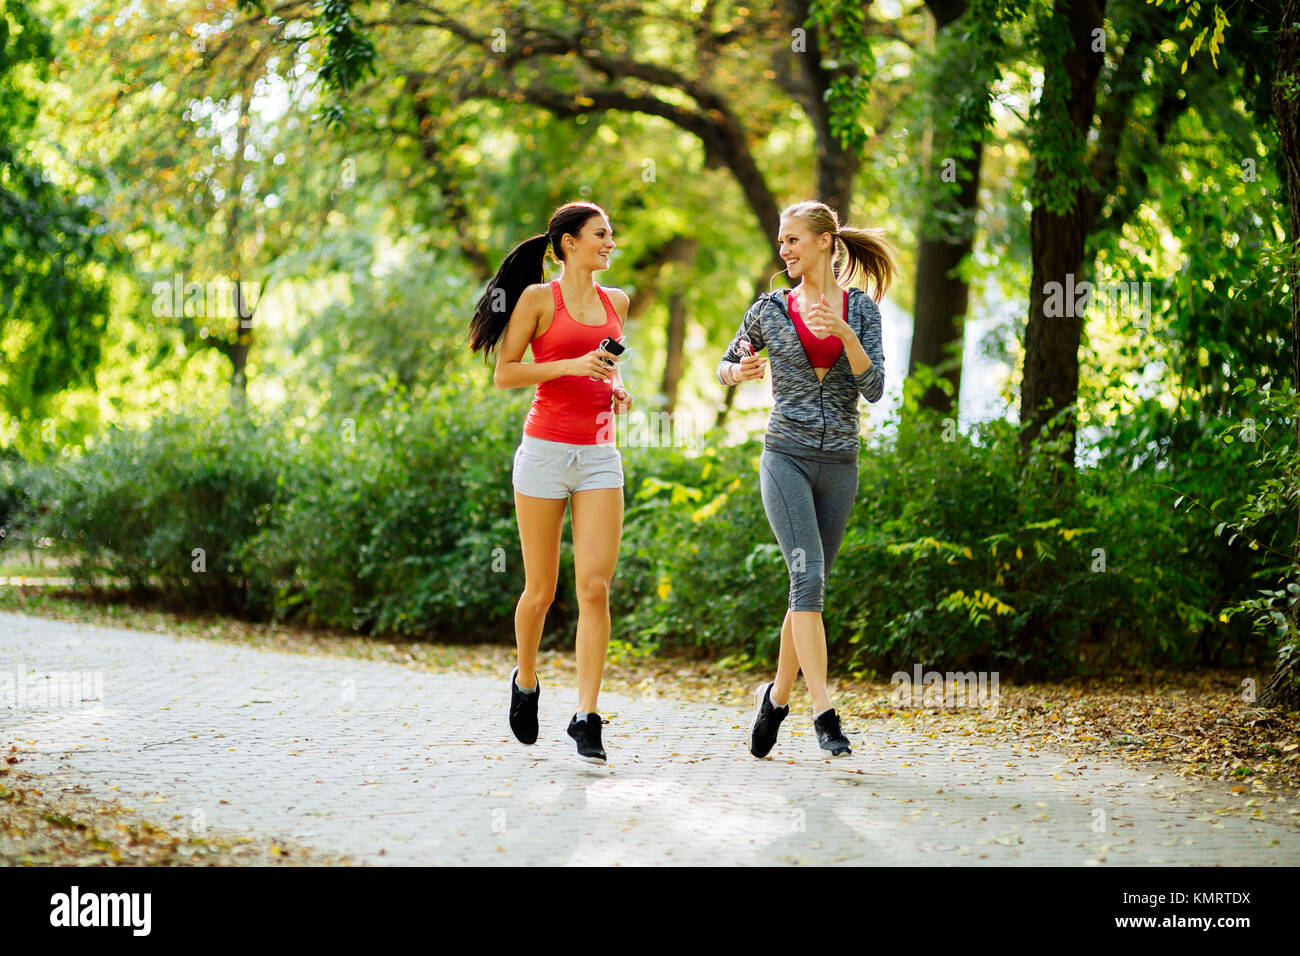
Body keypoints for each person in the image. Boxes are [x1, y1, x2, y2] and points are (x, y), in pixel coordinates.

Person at [716, 199, 895, 759]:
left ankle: (777, 697)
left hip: (840, 464)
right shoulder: (770, 309)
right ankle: (825, 715)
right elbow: (725, 364)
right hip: (785, 457)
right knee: (809, 576)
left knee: (808, 590)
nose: (784, 249)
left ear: (824, 242)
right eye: (780, 240)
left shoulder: (861, 310)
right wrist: (737, 370)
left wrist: (845, 333)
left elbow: (875, 389)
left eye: (793, 239)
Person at [469, 201, 633, 764]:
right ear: (567, 243)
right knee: (541, 592)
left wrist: (615, 388)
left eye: (611, 234)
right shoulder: (540, 299)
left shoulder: (618, 302)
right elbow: (505, 373)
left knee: (594, 587)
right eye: (600, 234)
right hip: (543, 452)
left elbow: (604, 369)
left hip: (598, 457)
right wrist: (568, 366)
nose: (610, 242)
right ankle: (527, 680)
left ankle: (587, 717)